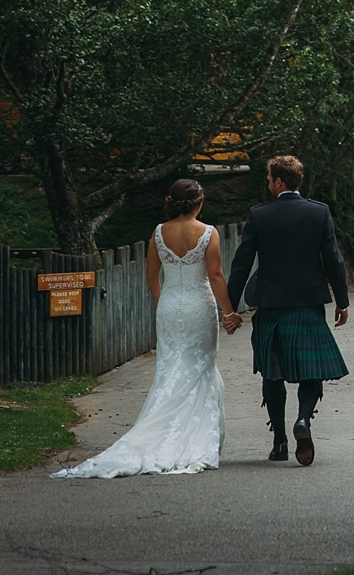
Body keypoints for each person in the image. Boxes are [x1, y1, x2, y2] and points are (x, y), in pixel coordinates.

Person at [52, 179, 240, 478]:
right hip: (198, 307)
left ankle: (160, 429)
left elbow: (152, 275)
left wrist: (161, 305)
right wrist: (229, 312)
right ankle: (195, 439)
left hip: (168, 306)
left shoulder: (158, 232)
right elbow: (215, 276)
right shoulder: (208, 233)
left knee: (170, 368)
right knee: (200, 367)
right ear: (198, 203)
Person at [227, 155, 349, 466]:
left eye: (269, 180)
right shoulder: (319, 212)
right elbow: (333, 259)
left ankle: (280, 441)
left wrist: (229, 308)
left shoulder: (259, 215)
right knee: (312, 369)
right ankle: (304, 420)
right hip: (308, 305)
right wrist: (342, 301)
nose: (268, 184)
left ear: (279, 181)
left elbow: (241, 265)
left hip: (270, 307)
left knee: (272, 371)